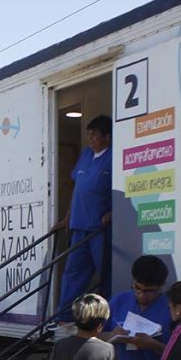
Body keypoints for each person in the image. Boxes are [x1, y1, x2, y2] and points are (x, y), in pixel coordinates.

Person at [52, 115, 114, 322]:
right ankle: (64, 317)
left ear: (107, 137)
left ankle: (106, 319)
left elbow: (122, 188)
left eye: (94, 135)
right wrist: (67, 218)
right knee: (73, 272)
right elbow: (78, 189)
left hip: (100, 228)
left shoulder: (113, 156)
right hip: (79, 226)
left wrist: (114, 211)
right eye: (89, 135)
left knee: (106, 274)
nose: (91, 139)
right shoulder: (86, 154)